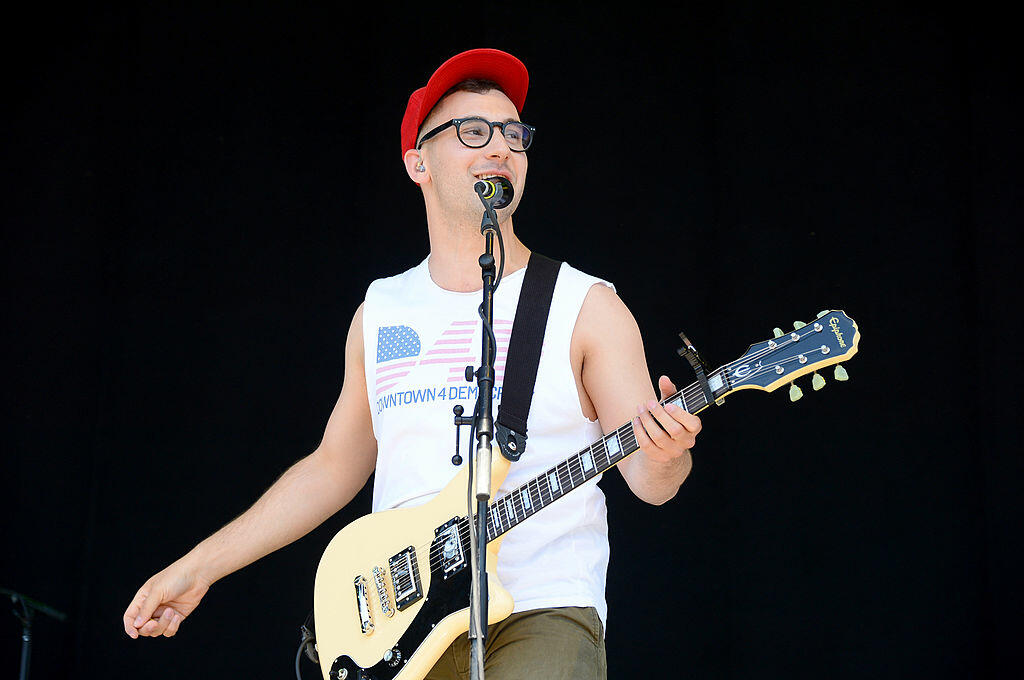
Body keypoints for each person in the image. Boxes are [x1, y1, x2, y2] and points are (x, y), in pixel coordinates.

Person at [122, 48, 701, 679]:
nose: (499, 148)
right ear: (416, 161)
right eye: (472, 132)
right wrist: (199, 566)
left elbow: (650, 480)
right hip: (398, 631)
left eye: (514, 134)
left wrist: (668, 453)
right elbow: (333, 467)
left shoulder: (586, 306)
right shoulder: (382, 309)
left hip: (543, 608)